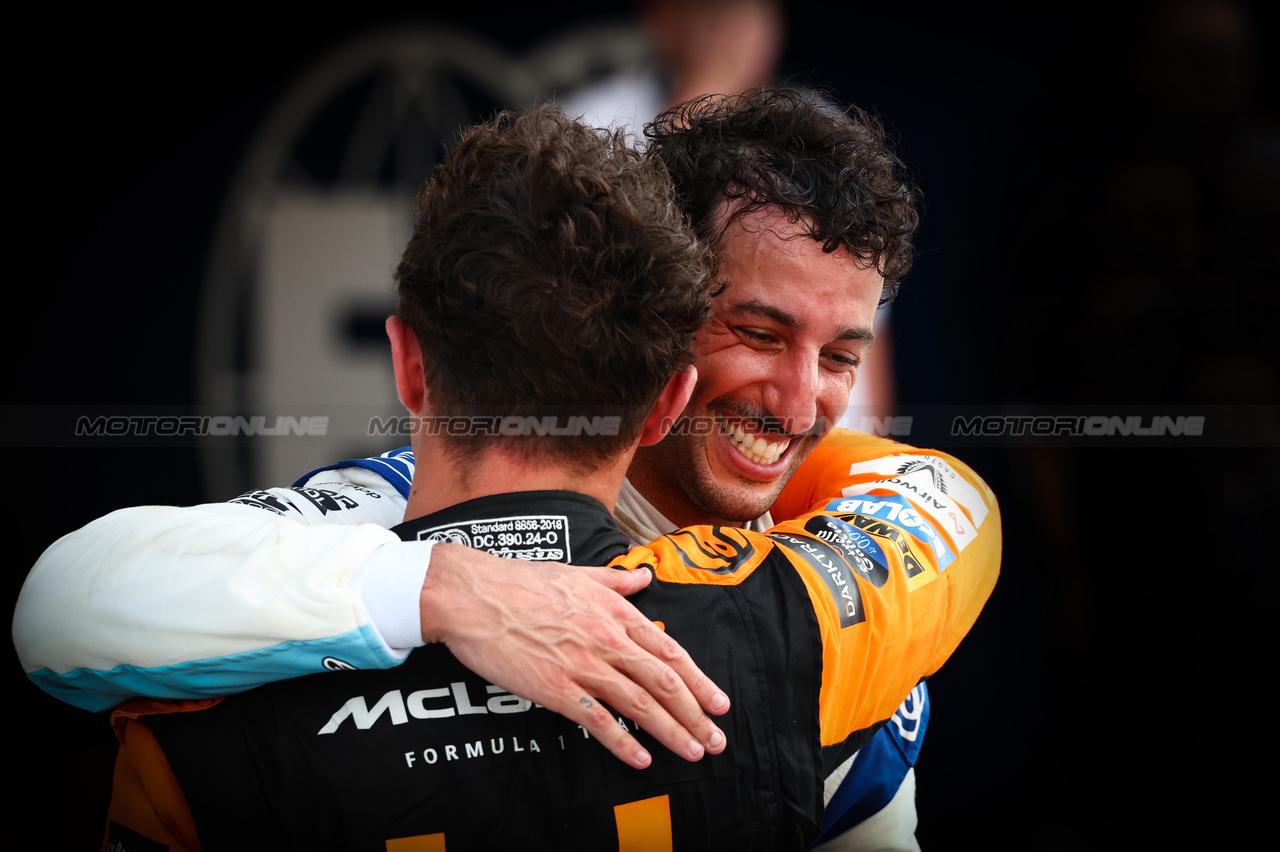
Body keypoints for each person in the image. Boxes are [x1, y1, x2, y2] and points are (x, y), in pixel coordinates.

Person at [16, 89, 997, 849]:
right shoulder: (388, 511)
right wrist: (447, 589)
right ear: (660, 315)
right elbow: (62, 606)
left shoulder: (828, 570)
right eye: (756, 332)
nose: (795, 404)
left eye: (838, 358)